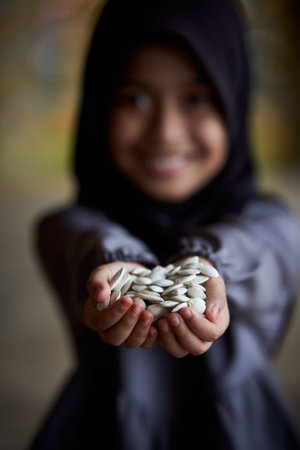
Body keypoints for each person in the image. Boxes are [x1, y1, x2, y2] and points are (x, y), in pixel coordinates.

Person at [29, 0, 300, 449]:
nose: (166, 133)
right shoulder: (69, 227)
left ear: (234, 101)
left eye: (197, 98)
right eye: (134, 98)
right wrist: (120, 267)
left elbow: (264, 246)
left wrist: (207, 268)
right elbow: (80, 240)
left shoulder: (268, 220)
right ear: (97, 108)